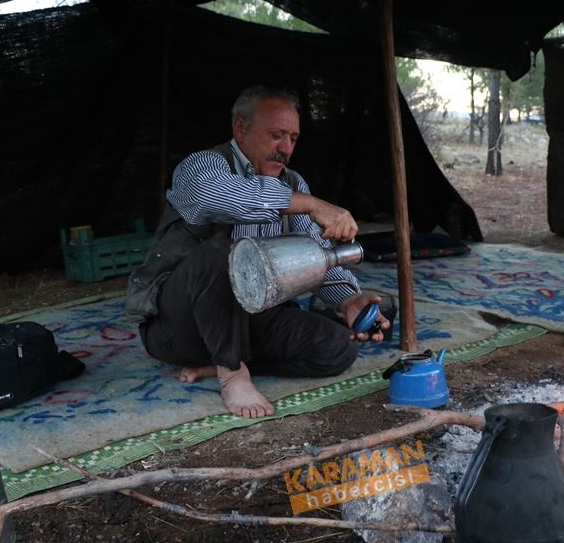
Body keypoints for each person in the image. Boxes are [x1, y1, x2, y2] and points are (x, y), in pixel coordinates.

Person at [125, 85, 389, 419]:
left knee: (338, 347)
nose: (285, 149)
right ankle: (232, 372)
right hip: (179, 326)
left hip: (251, 322)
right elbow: (222, 197)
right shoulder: (202, 166)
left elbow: (318, 252)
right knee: (228, 254)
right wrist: (310, 205)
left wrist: (348, 299)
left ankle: (225, 362)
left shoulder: (293, 183)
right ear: (240, 128)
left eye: (293, 138)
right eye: (276, 135)